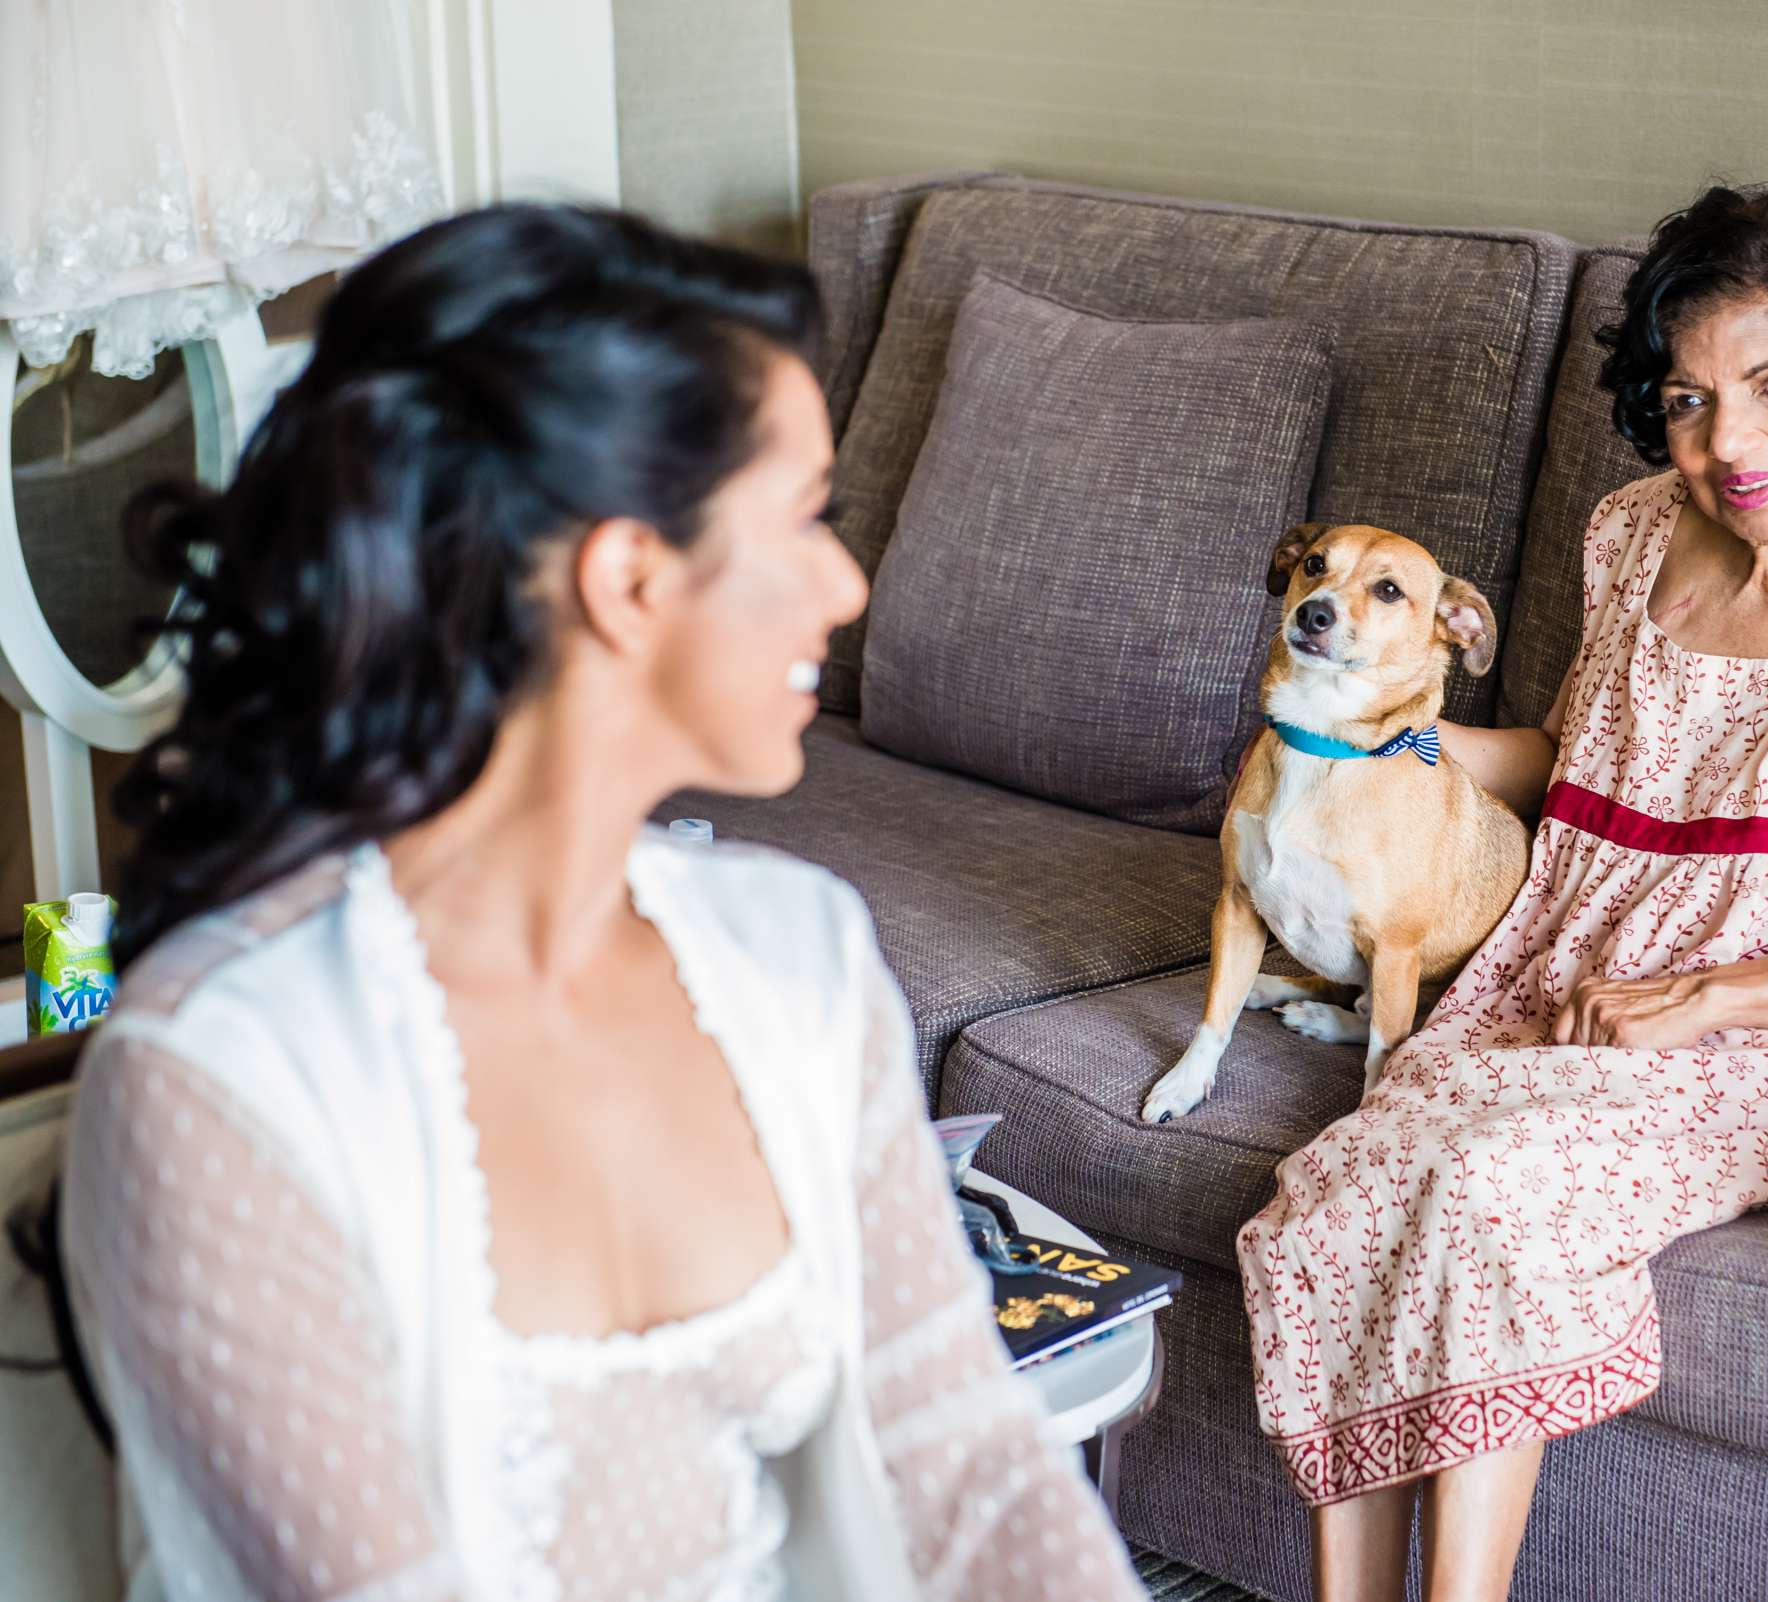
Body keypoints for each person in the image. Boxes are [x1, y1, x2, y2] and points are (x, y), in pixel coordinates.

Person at [59, 204, 1147, 1602]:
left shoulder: (800, 956)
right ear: (628, 578)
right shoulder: (218, 1072)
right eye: (808, 517)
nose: (848, 584)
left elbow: (971, 1468)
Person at [1238, 178, 1768, 1602]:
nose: (1726, 442)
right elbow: (1583, 757)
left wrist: (1715, 997)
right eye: (1686, 400)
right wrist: (1399, 741)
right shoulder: (1632, 533)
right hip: (1595, 970)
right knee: (1341, 1182)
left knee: (1501, 1177)